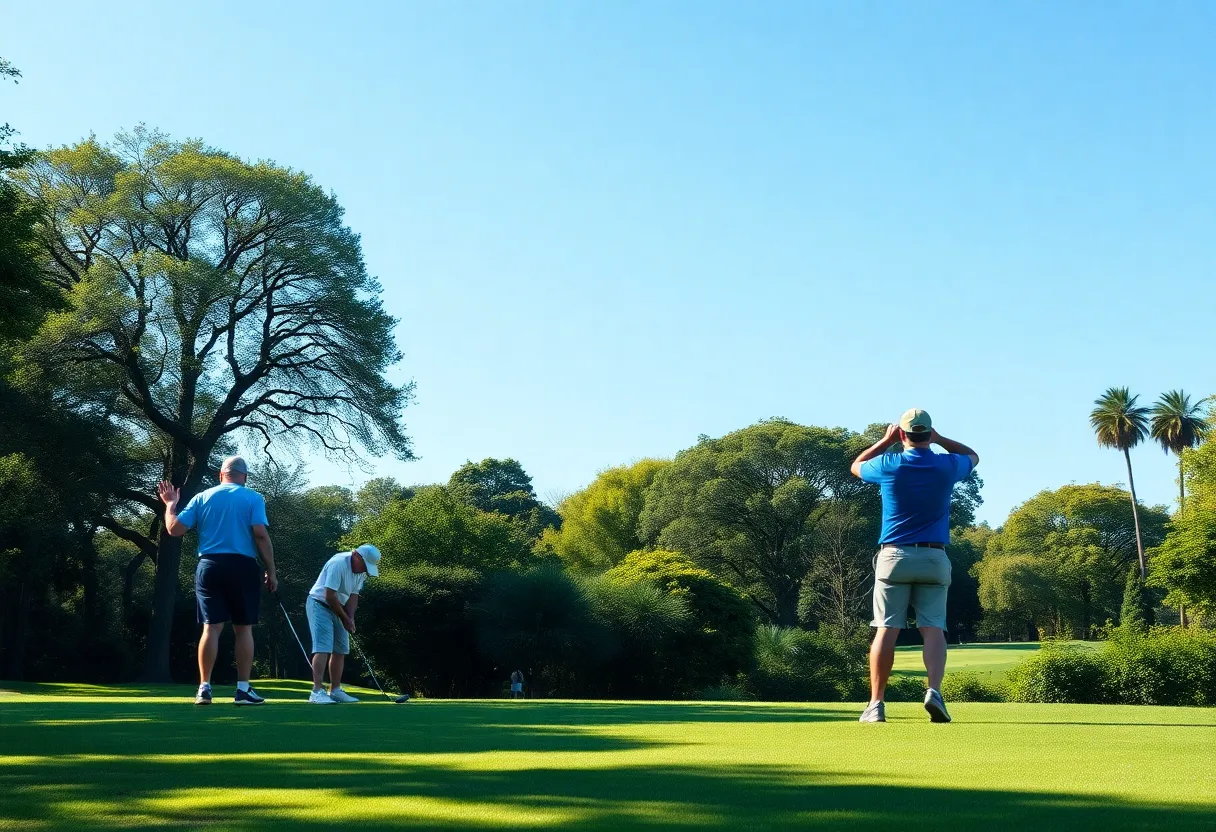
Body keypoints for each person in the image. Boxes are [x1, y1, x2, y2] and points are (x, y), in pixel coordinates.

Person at [849, 409, 979, 724]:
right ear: (928, 434)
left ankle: (876, 704)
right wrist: (940, 440)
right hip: (934, 557)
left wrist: (884, 441)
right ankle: (934, 691)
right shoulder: (946, 465)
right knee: (933, 628)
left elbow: (855, 466)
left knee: (886, 629)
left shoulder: (889, 465)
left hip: (894, 557)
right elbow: (972, 457)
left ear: (903, 435)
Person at [158, 456, 278, 706]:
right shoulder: (253, 497)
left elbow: (174, 529)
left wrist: (170, 504)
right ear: (244, 476)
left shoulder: (203, 497)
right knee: (243, 628)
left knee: (211, 628)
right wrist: (271, 570)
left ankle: (204, 688)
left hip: (209, 566)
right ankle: (243, 690)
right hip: (242, 566)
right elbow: (261, 536)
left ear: (220, 475)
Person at [305, 544, 382, 703]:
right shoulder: (338, 563)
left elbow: (353, 596)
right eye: (364, 565)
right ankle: (316, 692)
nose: (364, 570)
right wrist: (345, 618)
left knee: (341, 648)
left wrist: (351, 617)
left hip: (338, 606)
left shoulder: (361, 571)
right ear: (356, 555)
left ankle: (335, 690)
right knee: (323, 647)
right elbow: (329, 596)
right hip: (319, 604)